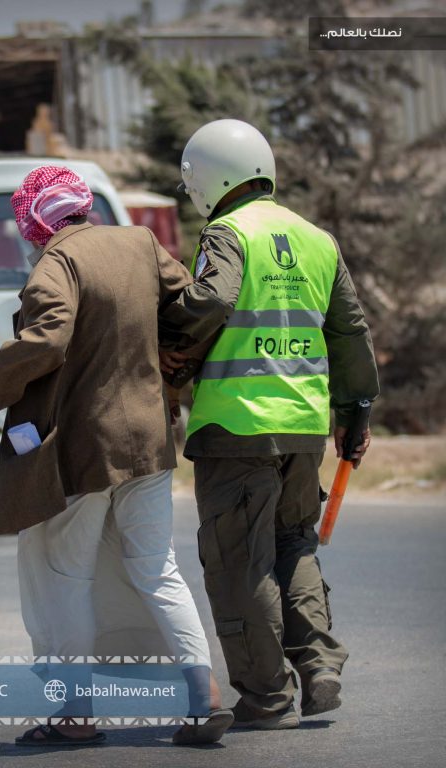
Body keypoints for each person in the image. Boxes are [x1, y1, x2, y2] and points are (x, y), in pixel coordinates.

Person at [0, 165, 233, 747]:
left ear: (35, 221)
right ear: (81, 204)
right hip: (151, 442)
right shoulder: (140, 242)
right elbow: (192, 303)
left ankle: (76, 714)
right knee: (159, 569)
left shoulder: (56, 265)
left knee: (67, 575)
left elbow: (48, 338)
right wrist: (174, 363)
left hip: (86, 449)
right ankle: (204, 696)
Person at [160, 119, 380, 730]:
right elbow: (350, 333)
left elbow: (212, 302)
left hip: (236, 429)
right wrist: (354, 412)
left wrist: (167, 343)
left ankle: (265, 696)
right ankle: (318, 667)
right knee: (294, 544)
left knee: (240, 562)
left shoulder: (227, 233)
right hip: (304, 427)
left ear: (207, 178)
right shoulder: (317, 239)